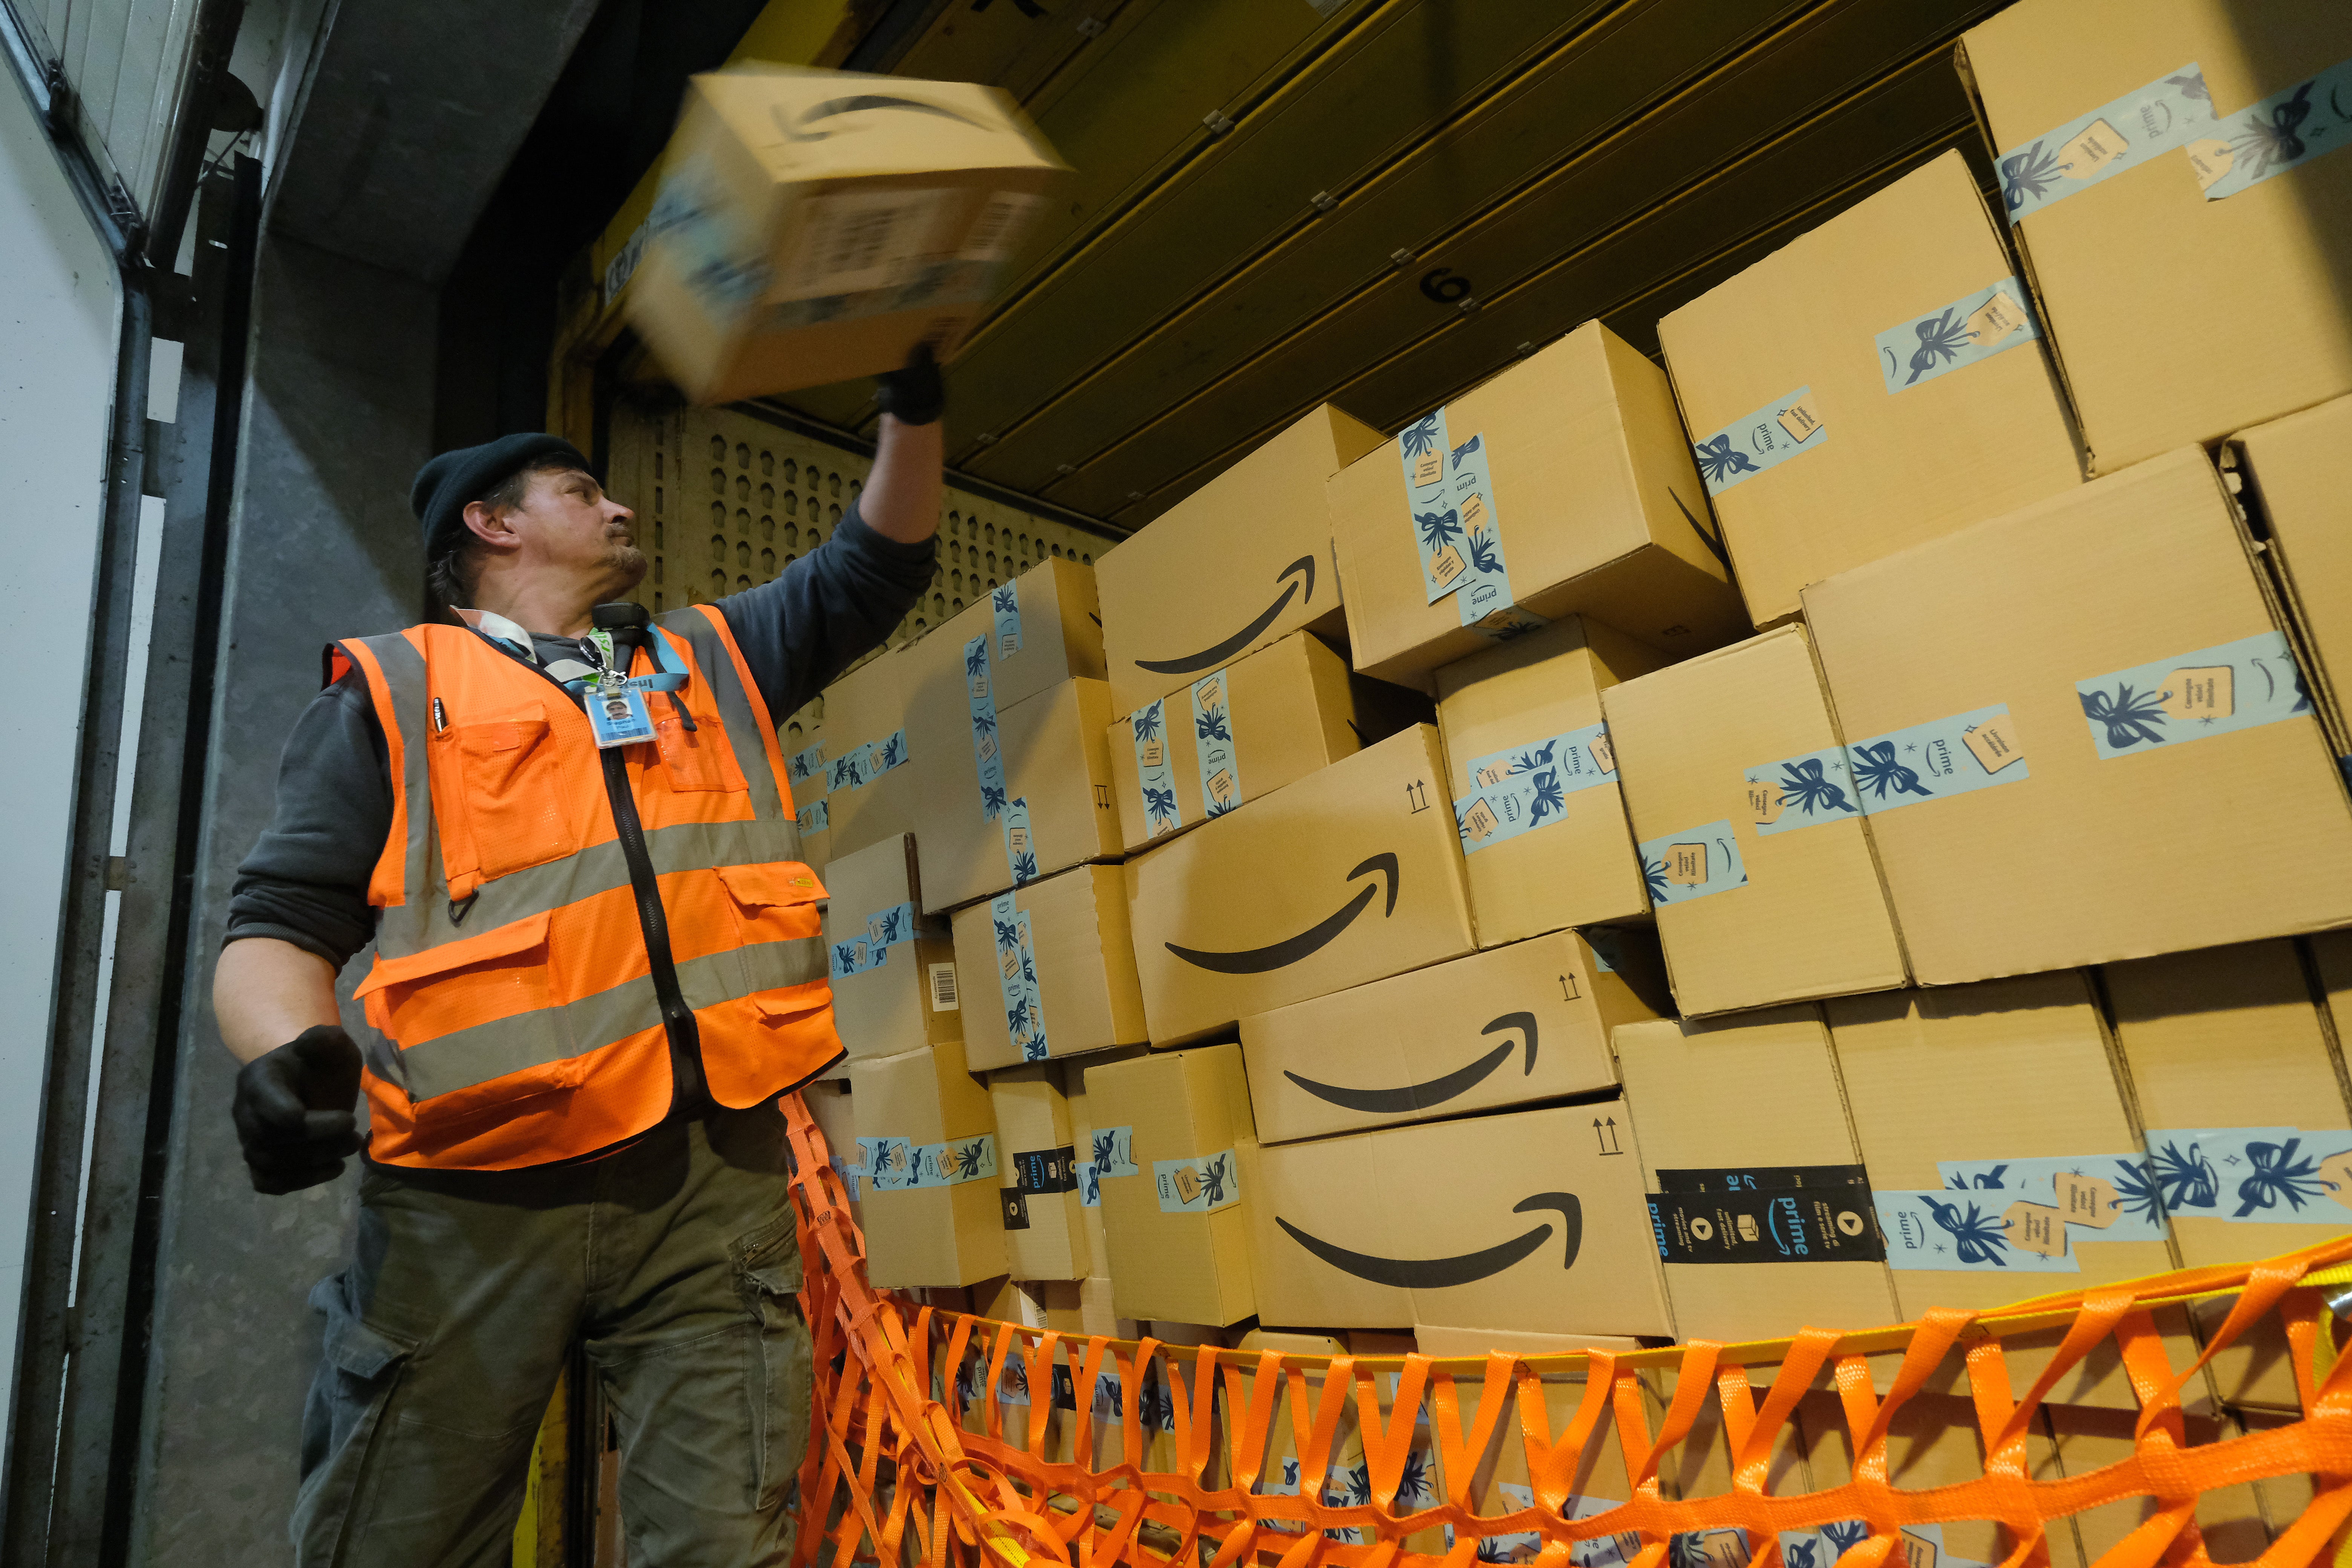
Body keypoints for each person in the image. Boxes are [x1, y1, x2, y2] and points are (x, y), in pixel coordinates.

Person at [213, 348, 946, 1565]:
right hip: (476, 1196)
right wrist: (287, 1057)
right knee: (401, 1539)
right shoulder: (398, 690)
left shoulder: (707, 662)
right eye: (578, 491)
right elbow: (282, 921)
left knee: (725, 1542)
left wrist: (911, 420)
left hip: (712, 1180)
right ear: (490, 525)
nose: (617, 507)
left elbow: (874, 569)